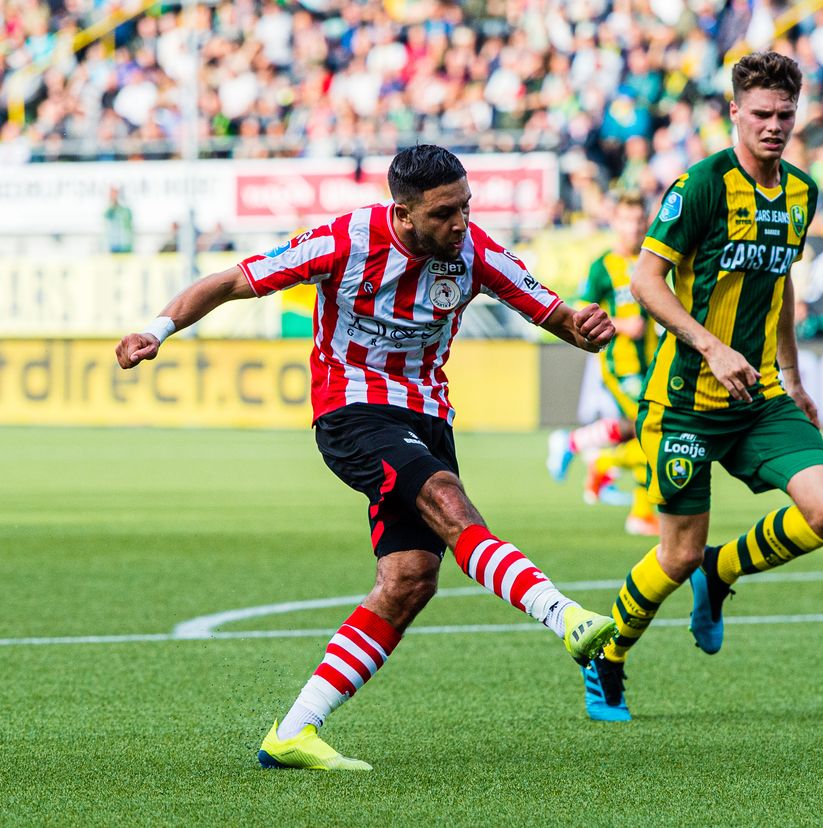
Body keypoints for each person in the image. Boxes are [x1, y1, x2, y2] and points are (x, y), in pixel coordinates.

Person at [115, 145, 620, 769]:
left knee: (409, 579)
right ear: (403, 214)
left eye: (466, 207)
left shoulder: (474, 250)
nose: (460, 223)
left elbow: (556, 314)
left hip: (428, 417)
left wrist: (587, 326)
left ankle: (293, 733)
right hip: (351, 410)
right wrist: (156, 330)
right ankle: (565, 616)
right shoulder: (344, 241)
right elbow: (227, 283)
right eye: (443, 213)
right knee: (446, 499)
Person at [579, 52, 823, 722]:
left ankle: (721, 570)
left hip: (759, 398)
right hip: (686, 406)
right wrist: (710, 344)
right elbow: (645, 281)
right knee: (673, 553)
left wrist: (791, 373)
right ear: (734, 112)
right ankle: (609, 656)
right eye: (761, 114)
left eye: (786, 115)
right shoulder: (699, 186)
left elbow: (780, 281)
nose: (775, 126)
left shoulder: (800, 192)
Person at [546, 191, 661, 536]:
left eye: (640, 220)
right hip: (621, 365)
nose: (634, 227)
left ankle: (585, 450)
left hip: (652, 362)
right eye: (627, 220)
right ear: (615, 223)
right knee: (654, 427)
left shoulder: (651, 261)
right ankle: (636, 507)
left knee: (641, 430)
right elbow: (580, 313)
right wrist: (622, 325)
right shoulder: (603, 266)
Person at [104, 185, 134, 254]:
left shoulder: (126, 210)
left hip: (125, 245)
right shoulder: (110, 209)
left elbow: (128, 224)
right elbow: (106, 216)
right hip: (113, 245)